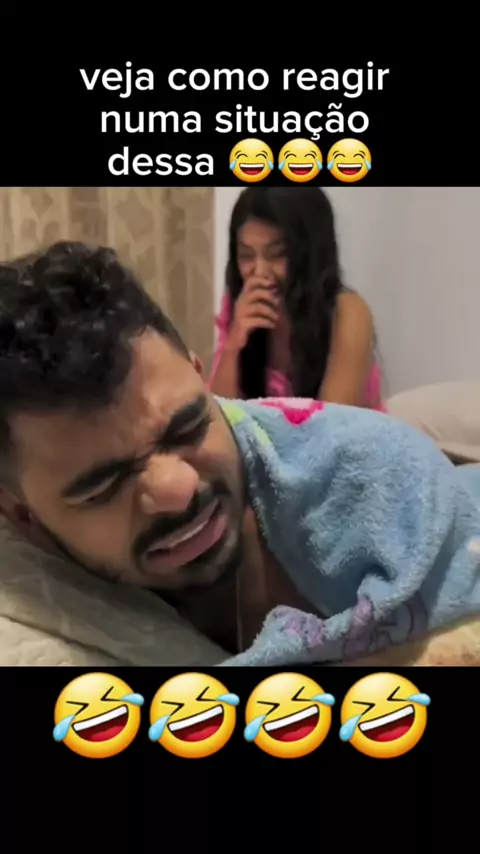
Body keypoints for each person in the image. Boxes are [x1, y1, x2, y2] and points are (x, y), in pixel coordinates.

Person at [1, 241, 480, 667]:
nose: (178, 489)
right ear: (21, 513)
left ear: (197, 374)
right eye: (104, 486)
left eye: (188, 426)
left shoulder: (360, 466)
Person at [210, 187, 384, 409]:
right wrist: (233, 345)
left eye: (277, 255)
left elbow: (331, 423)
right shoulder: (242, 305)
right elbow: (218, 415)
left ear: (310, 254)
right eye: (246, 256)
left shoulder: (348, 311)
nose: (259, 272)